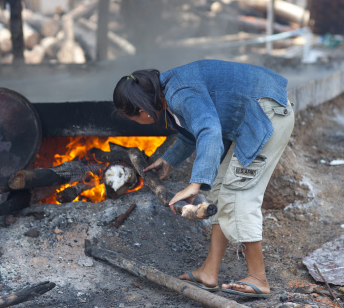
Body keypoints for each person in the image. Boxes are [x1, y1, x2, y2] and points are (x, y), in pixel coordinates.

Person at [113, 59, 295, 298]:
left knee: (237, 193)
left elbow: (209, 129)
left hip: (267, 115)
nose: (137, 122)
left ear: (141, 110)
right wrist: (169, 159)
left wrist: (195, 183)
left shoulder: (180, 94)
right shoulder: (169, 91)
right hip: (253, 116)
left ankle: (258, 278)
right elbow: (192, 133)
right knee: (219, 192)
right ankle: (209, 272)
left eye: (133, 119)